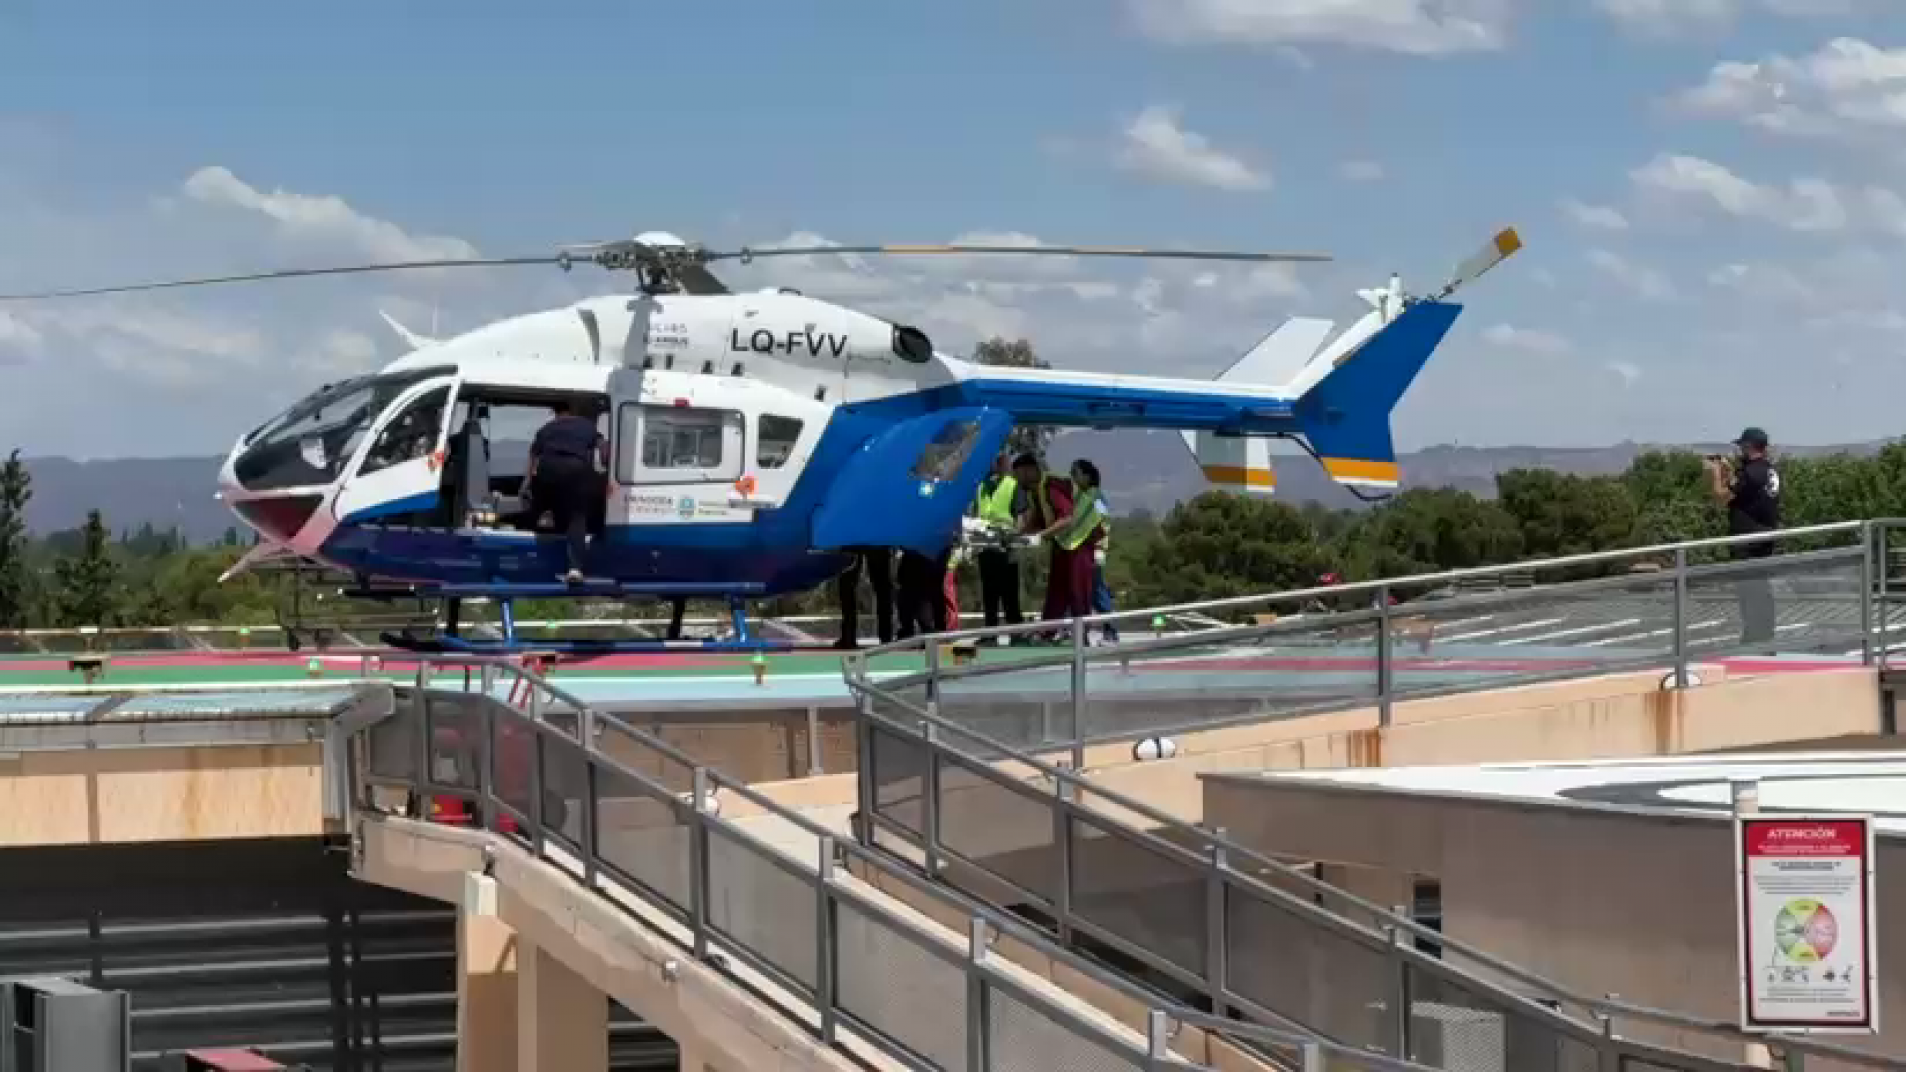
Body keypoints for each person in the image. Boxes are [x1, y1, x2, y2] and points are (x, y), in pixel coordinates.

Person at [1706, 426, 1782, 649]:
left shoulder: (1751, 473)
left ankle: (1756, 638)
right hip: (1764, 536)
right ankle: (1763, 635)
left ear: (1749, 447)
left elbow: (1721, 497)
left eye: (1742, 446)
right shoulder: (1768, 471)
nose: (1740, 450)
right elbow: (1744, 493)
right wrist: (1730, 471)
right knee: (1760, 589)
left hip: (1748, 540)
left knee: (1750, 591)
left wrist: (1715, 473)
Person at [527, 398, 608, 584]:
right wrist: (607, 469)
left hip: (548, 469)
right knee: (577, 517)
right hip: (575, 469)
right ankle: (575, 568)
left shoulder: (546, 428)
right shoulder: (587, 426)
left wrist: (530, 482)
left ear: (555, 413)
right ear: (573, 411)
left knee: (540, 506)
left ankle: (531, 528)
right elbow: (603, 448)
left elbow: (533, 455)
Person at [1029, 458, 1107, 630]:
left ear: (1087, 476)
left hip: (1086, 545)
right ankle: (1053, 631)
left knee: (1090, 593)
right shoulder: (1071, 492)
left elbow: (1103, 521)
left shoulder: (1096, 496)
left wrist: (1101, 547)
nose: (1071, 476)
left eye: (1075, 473)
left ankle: (1099, 632)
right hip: (1067, 543)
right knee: (1062, 590)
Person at [1013, 452, 1076, 640]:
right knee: (1057, 589)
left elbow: (1067, 518)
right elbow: (1038, 517)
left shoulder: (1052, 486)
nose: (1017, 479)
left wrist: (1040, 536)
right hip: (1060, 544)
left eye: (1019, 474)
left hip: (1077, 545)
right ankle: (1049, 630)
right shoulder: (1035, 491)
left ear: (1031, 470)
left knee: (1080, 591)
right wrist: (1018, 535)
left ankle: (1097, 631)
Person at [971, 454, 1024, 639]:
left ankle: (1016, 635)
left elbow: (1021, 518)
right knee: (989, 593)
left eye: (998, 463)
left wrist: (1013, 536)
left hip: (1006, 548)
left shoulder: (1013, 485)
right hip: (985, 547)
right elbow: (976, 514)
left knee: (1010, 594)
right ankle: (990, 634)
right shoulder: (981, 487)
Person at [834, 547, 894, 649]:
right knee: (882, 590)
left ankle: (848, 637)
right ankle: (886, 637)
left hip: (853, 542)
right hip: (876, 543)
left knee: (847, 588)